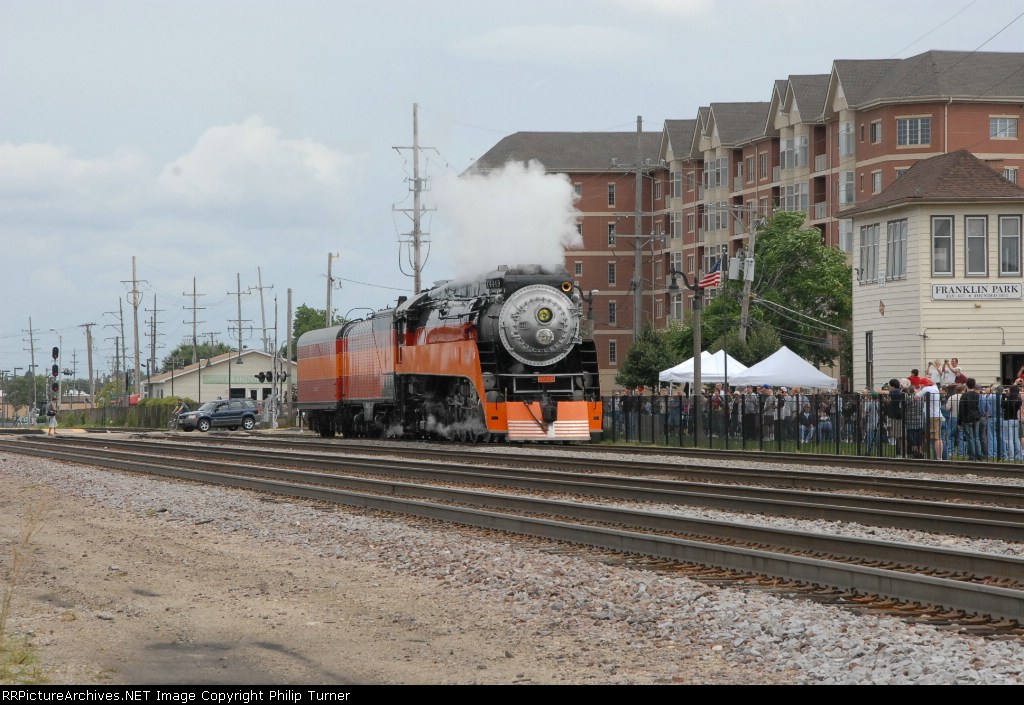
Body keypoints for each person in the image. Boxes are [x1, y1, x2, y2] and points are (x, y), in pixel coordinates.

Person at [915, 378, 943, 460]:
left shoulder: (926, 389)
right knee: (935, 436)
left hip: (932, 416)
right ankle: (938, 456)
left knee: (936, 437)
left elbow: (916, 397)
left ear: (923, 384)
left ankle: (938, 457)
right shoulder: (935, 387)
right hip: (937, 415)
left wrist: (918, 391)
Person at [957, 378, 983, 461]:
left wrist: (959, 422)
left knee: (970, 438)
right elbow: (980, 406)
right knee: (977, 437)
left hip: (967, 418)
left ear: (966, 385)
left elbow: (961, 409)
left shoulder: (964, 396)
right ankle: (979, 455)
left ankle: (972, 455)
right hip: (976, 417)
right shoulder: (977, 395)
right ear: (974, 385)